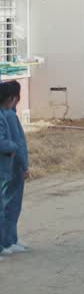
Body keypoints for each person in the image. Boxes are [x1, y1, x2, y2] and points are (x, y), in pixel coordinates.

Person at [0, 80, 30, 255]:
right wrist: (24, 165)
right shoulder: (9, 116)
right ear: (13, 98)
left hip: (11, 164)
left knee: (9, 205)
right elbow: (17, 144)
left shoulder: (8, 114)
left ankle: (11, 239)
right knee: (11, 205)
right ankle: (7, 241)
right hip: (13, 166)